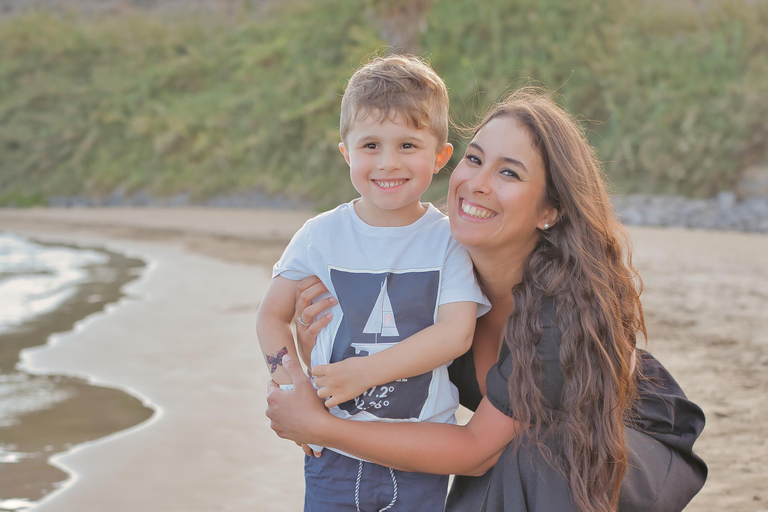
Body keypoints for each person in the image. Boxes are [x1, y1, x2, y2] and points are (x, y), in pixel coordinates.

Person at [266, 87, 707, 512]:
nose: (476, 183)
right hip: (512, 442)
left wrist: (320, 427)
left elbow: (476, 451)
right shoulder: (439, 269)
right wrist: (313, 352)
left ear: (549, 211)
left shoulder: (562, 311)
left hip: (620, 438)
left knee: (537, 459)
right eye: (474, 159)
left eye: (509, 172)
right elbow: (371, 369)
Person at [256, 54, 489, 512]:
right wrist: (293, 388)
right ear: (346, 152)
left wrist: (365, 372)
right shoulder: (320, 236)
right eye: (370, 146)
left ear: (440, 156)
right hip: (332, 455)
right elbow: (272, 315)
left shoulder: (447, 241)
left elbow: (456, 332)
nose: (388, 163)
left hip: (419, 449)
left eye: (407, 145)